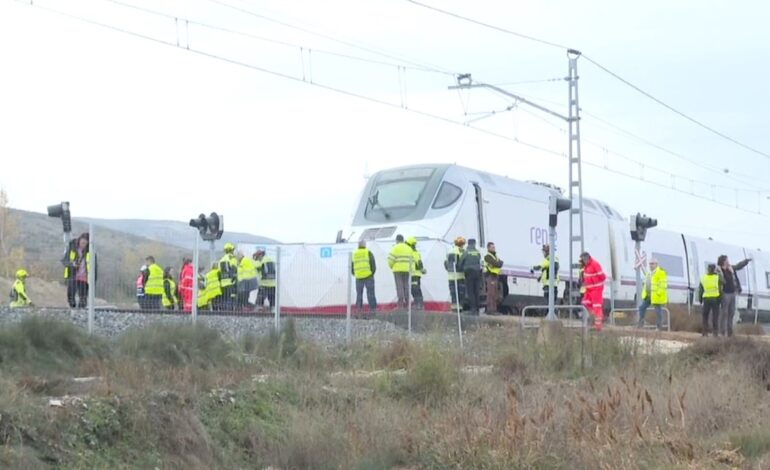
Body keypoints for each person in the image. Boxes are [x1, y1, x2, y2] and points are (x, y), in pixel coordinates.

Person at [717, 255, 751, 337]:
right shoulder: (719, 270)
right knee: (724, 313)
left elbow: (738, 266)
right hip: (725, 294)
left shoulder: (731, 268)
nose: (728, 261)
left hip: (732, 293)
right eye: (727, 260)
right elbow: (721, 281)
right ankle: (723, 332)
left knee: (731, 313)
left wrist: (746, 261)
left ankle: (730, 332)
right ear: (724, 261)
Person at [62, 233, 95, 309]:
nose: (82, 245)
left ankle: (82, 311)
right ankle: (72, 308)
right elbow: (64, 261)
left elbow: (94, 266)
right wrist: (72, 264)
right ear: (79, 240)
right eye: (82, 242)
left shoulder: (91, 251)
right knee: (71, 296)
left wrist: (93, 278)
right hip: (73, 275)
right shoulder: (72, 248)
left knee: (83, 298)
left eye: (85, 243)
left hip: (85, 277)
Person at [638, 259, 668, 330]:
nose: (651, 265)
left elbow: (663, 284)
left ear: (656, 264)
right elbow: (646, 283)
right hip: (649, 295)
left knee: (658, 311)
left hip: (656, 296)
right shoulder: (649, 273)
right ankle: (641, 324)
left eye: (652, 264)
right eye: (650, 264)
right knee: (642, 307)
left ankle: (659, 327)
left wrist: (658, 293)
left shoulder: (661, 272)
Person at [579, 252, 606, 331]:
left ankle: (598, 326)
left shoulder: (595, 264)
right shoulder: (585, 266)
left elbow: (602, 276)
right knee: (585, 302)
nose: (582, 261)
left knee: (597, 306)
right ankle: (593, 317)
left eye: (583, 259)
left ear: (587, 258)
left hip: (596, 289)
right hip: (589, 289)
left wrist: (596, 283)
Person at [351, 240, 377, 315]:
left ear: (358, 245)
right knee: (371, 293)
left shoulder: (354, 254)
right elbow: (373, 265)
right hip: (368, 276)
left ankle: (359, 309)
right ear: (365, 245)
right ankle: (373, 309)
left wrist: (355, 274)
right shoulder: (368, 252)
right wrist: (371, 273)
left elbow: (352, 267)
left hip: (358, 277)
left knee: (359, 294)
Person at [388, 234, 413, 310]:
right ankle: (408, 303)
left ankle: (400, 304)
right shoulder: (409, 249)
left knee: (399, 286)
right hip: (407, 270)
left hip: (397, 270)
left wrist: (392, 266)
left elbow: (390, 260)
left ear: (397, 240)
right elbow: (412, 259)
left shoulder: (395, 248)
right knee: (406, 286)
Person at [459, 238, 482, 315]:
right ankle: (478, 309)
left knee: (470, 291)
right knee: (476, 291)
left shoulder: (466, 252)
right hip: (477, 273)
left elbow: (460, 262)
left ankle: (473, 309)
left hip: (469, 273)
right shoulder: (477, 252)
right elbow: (479, 261)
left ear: (468, 244)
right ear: (474, 244)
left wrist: (461, 269)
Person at [698, 263, 722, 337]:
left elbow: (700, 290)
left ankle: (705, 333)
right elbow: (722, 285)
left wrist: (700, 299)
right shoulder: (717, 278)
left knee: (705, 317)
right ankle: (715, 333)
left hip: (706, 299)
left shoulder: (703, 278)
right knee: (715, 317)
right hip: (715, 299)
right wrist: (719, 272)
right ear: (714, 269)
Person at [444, 236, 466, 311]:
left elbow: (446, 264)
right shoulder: (462, 252)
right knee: (461, 293)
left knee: (453, 293)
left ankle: (454, 307)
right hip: (460, 276)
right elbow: (462, 264)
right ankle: (459, 308)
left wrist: (449, 270)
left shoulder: (450, 251)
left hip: (451, 276)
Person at [406, 237, 426, 310]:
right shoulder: (413, 252)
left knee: (415, 289)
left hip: (414, 274)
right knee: (414, 289)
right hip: (413, 274)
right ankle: (418, 303)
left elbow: (419, 263)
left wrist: (421, 269)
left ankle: (419, 304)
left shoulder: (414, 253)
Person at [484, 242, 504, 314]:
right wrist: (498, 263)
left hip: (495, 276)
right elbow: (497, 264)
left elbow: (500, 263)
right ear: (488, 248)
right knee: (491, 293)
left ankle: (494, 309)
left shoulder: (495, 256)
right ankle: (490, 310)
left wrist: (499, 263)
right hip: (490, 275)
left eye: (494, 247)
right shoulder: (487, 256)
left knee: (495, 293)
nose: (494, 248)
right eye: (492, 247)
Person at [219, 242, 238, 311]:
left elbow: (220, 271)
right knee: (231, 298)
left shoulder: (221, 259)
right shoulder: (232, 258)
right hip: (231, 282)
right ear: (231, 250)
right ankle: (230, 311)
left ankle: (224, 311)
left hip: (223, 283)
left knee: (225, 299)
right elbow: (234, 270)